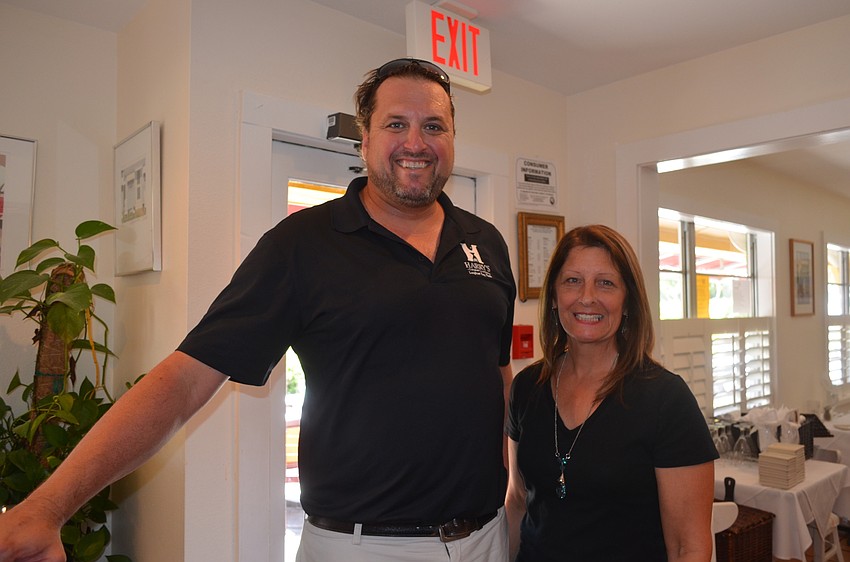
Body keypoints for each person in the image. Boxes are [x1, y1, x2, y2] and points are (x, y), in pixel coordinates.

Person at [0, 58, 516, 562]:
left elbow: (499, 377)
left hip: (484, 537)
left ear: (451, 140)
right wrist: (46, 508)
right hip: (362, 545)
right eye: (396, 124)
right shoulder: (304, 244)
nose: (415, 142)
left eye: (434, 126)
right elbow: (184, 379)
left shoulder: (485, 242)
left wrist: (519, 496)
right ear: (366, 139)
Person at [504, 224, 718, 562]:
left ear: (628, 300)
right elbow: (517, 500)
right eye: (573, 280)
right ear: (555, 299)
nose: (587, 296)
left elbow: (688, 547)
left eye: (606, 283)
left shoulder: (665, 399)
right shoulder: (527, 387)